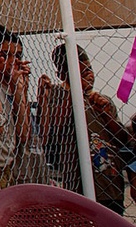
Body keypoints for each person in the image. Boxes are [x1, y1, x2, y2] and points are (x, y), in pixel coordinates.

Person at [38, 43, 129, 214]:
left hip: (109, 186)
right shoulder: (57, 97)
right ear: (63, 75)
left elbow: (123, 141)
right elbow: (50, 134)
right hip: (77, 185)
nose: (88, 76)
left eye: (88, 70)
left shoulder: (102, 101)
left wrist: (106, 115)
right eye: (78, 73)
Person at [0, 22, 47, 187]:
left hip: (15, 170)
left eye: (17, 56)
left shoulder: (11, 87)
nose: (13, 61)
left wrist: (20, 90)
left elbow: (24, 135)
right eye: (5, 55)